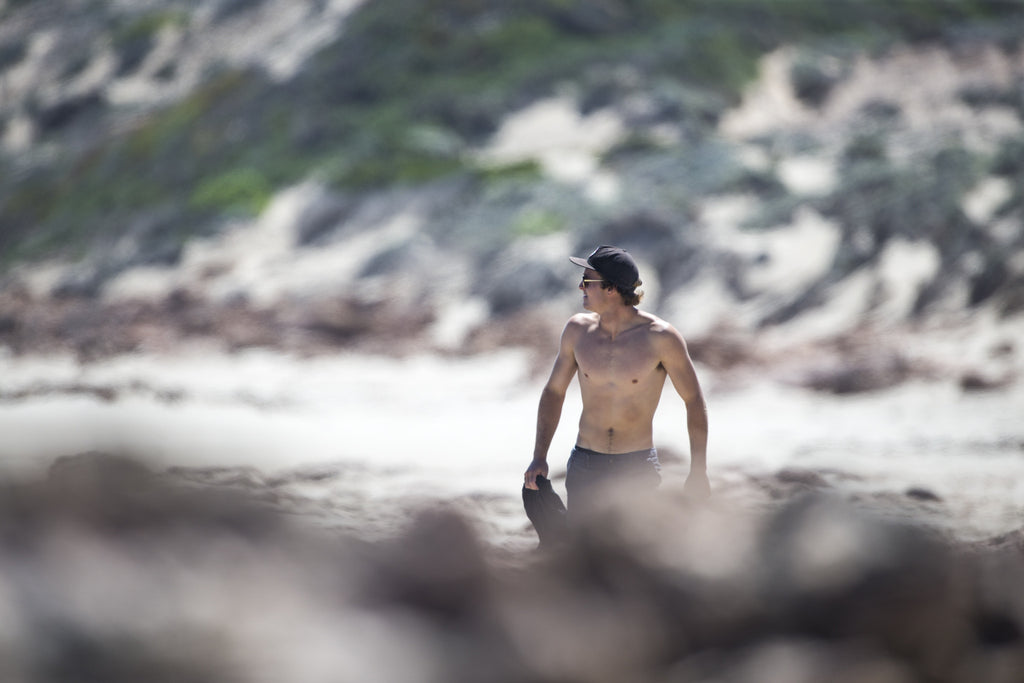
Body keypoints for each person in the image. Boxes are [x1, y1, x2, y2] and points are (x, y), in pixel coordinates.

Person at [523, 245, 709, 525]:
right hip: (585, 464)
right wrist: (539, 456)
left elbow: (693, 400)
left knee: (634, 558)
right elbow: (554, 392)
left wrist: (698, 471)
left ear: (611, 288)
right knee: (583, 559)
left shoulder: (660, 338)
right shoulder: (577, 331)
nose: (579, 287)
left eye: (587, 281)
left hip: (636, 467)